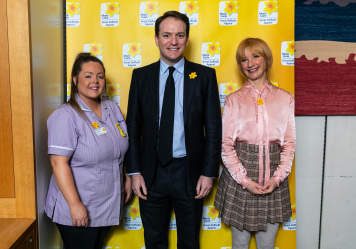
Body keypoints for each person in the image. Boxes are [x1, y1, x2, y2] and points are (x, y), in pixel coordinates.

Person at [126, 11, 222, 249]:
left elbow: (213, 129)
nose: (173, 41)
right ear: (157, 39)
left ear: (187, 39)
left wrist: (208, 173)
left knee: (189, 241)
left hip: (189, 173)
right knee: (154, 240)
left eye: (180, 35)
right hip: (151, 173)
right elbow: (133, 127)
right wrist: (134, 171)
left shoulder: (204, 76)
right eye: (167, 35)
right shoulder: (140, 76)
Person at [214, 38, 295, 249]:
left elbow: (288, 144)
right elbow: (225, 145)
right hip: (240, 176)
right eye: (244, 59)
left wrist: (277, 178)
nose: (250, 63)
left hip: (273, 178)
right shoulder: (233, 100)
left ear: (266, 58)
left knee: (266, 246)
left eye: (255, 56)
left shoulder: (286, 99)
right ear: (240, 66)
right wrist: (245, 181)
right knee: (239, 245)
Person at [44, 53, 131, 249]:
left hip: (106, 203)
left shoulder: (112, 109)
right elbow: (58, 163)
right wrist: (75, 205)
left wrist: (127, 177)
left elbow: (119, 148)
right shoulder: (65, 116)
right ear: (75, 80)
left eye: (100, 76)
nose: (95, 81)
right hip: (78, 206)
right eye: (88, 76)